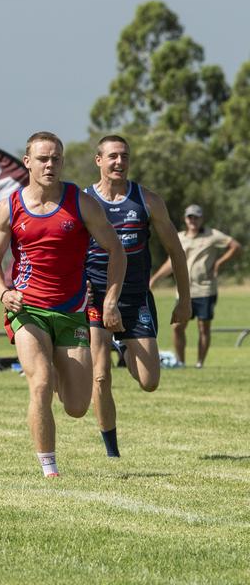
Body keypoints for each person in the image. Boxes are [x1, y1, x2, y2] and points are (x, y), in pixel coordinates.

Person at [0, 131, 124, 478]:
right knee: (41, 382)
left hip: (72, 310)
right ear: (27, 162)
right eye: (43, 159)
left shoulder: (81, 202)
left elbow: (116, 250)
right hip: (26, 309)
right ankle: (49, 467)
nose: (50, 165)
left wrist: (111, 300)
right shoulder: (9, 207)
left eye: (56, 158)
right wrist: (3, 292)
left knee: (77, 406)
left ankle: (60, 365)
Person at [82, 135, 191, 458]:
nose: (119, 162)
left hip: (135, 297)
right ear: (98, 160)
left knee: (149, 381)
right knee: (100, 376)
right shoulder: (84, 201)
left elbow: (176, 251)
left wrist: (184, 300)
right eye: (112, 156)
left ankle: (124, 347)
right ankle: (112, 452)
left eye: (124, 156)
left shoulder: (146, 201)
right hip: (96, 297)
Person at [151, 204, 241, 367]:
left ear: (202, 219)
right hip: (184, 291)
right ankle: (181, 362)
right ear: (185, 219)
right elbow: (171, 262)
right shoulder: (179, 237)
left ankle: (200, 363)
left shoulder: (212, 235)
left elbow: (235, 246)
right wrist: (154, 279)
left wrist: (219, 263)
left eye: (196, 217)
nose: (193, 220)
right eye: (190, 217)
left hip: (205, 289)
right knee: (177, 327)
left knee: (203, 328)